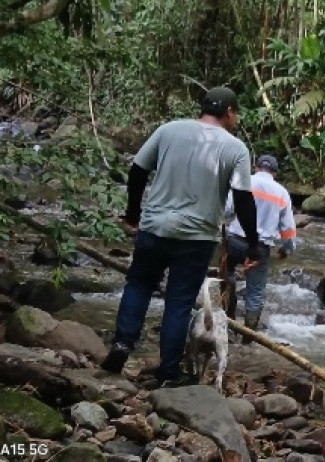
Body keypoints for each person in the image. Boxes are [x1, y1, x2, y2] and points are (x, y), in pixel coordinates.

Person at [101, 86, 263, 387]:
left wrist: (133, 214)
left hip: (155, 226)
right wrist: (253, 244)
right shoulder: (235, 148)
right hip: (198, 237)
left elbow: (137, 171)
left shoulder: (168, 130)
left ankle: (123, 343)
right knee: (179, 302)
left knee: (138, 284)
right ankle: (168, 370)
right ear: (229, 112)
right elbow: (243, 199)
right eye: (235, 113)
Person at [223, 154, 296, 344]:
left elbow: (226, 210)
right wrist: (287, 248)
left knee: (227, 275)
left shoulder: (244, 182)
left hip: (235, 241)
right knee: (255, 293)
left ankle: (228, 322)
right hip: (261, 248)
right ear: (275, 173)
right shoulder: (282, 193)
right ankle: (247, 340)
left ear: (256, 168)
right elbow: (287, 227)